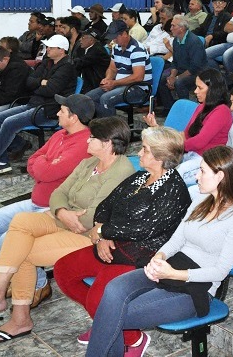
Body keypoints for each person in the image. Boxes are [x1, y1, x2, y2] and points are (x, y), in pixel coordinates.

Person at [0, 117, 134, 344]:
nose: (87, 140)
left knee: (25, 253)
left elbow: (92, 218)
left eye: (93, 137)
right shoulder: (89, 163)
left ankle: (17, 316)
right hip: (66, 220)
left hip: (88, 236)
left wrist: (60, 212)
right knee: (20, 222)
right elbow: (58, 194)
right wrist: (62, 212)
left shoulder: (121, 170)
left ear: (108, 143)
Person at [83, 146, 233, 356]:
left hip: (197, 288)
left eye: (202, 172)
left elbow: (220, 271)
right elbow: (176, 240)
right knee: (114, 290)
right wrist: (158, 257)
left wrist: (172, 273)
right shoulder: (199, 201)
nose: (196, 176)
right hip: (170, 268)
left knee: (113, 314)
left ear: (220, 176)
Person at [54, 126, 191, 353]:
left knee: (98, 300)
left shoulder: (174, 190)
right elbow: (105, 206)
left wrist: (104, 232)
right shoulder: (140, 177)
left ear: (160, 157)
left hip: (140, 256)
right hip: (112, 244)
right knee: (63, 270)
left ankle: (129, 336)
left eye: (145, 150)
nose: (139, 153)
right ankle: (106, 324)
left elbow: (144, 229)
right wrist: (101, 237)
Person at [0, 35, 78, 178]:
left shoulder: (67, 67)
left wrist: (40, 84)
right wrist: (41, 83)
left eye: (51, 47)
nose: (47, 49)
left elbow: (51, 89)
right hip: (34, 103)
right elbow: (29, 82)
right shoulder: (47, 63)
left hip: (49, 109)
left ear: (61, 50)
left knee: (8, 122)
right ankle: (1, 161)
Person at [145, 68, 232, 186]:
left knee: (167, 179)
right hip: (191, 155)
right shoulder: (202, 106)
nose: (195, 91)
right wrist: (158, 128)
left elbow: (199, 142)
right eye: (196, 87)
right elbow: (185, 134)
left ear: (213, 90)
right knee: (155, 167)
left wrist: (172, 145)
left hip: (207, 161)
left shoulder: (222, 111)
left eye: (200, 88)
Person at [85, 21, 152, 118]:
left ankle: (110, 130)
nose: (114, 40)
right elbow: (112, 69)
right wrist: (108, 79)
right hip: (121, 84)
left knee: (106, 99)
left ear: (124, 34)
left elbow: (138, 77)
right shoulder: (117, 47)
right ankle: (100, 126)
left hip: (138, 88)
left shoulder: (137, 49)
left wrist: (114, 83)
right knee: (88, 98)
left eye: (116, 37)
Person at [158, 15, 209, 110]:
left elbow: (195, 67)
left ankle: (186, 109)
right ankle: (169, 108)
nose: (170, 28)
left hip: (198, 73)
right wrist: (172, 75)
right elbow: (175, 62)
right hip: (183, 70)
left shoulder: (194, 42)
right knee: (162, 79)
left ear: (181, 28)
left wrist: (176, 78)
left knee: (179, 82)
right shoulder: (176, 41)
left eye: (173, 26)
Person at [72, 28, 111, 94]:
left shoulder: (97, 50)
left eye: (83, 37)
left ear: (91, 40)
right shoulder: (81, 48)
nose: (80, 39)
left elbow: (80, 63)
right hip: (86, 81)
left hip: (95, 84)